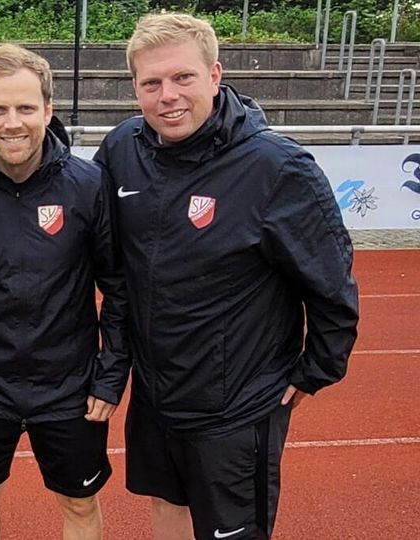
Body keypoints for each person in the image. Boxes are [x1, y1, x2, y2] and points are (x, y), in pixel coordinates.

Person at [93, 13, 360, 540]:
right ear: (135, 89)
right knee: (166, 507)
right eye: (151, 83)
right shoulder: (122, 149)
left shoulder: (277, 168)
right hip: (155, 394)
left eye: (183, 78)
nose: (167, 95)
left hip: (236, 406)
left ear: (215, 75)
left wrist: (314, 371)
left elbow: (332, 287)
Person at [0, 44, 131, 539]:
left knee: (80, 505)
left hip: (70, 387)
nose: (11, 122)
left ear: (48, 110)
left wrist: (109, 376)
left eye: (25, 107)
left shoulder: (89, 185)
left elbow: (119, 288)